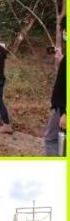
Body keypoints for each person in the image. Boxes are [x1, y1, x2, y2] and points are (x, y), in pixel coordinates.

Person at [44, 21, 66, 156]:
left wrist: (66, 113)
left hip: (63, 108)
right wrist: (61, 58)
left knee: (51, 140)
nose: (64, 33)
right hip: (61, 107)